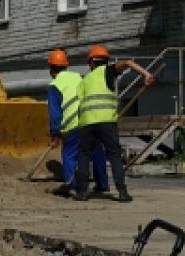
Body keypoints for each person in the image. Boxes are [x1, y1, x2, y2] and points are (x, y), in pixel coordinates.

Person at [73, 45, 157, 203]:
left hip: (86, 123)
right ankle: (122, 192)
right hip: (107, 122)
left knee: (84, 156)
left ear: (91, 63)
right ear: (106, 61)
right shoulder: (108, 71)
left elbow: (80, 103)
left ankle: (82, 192)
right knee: (114, 156)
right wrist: (146, 74)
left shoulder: (84, 80)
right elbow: (128, 63)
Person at [46, 49, 108, 197]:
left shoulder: (54, 85)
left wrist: (55, 133)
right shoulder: (79, 77)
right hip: (91, 119)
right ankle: (102, 185)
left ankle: (74, 186)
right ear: (66, 66)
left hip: (73, 125)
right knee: (96, 151)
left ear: (51, 69)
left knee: (69, 154)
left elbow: (55, 113)